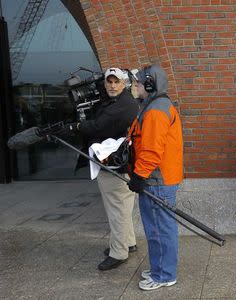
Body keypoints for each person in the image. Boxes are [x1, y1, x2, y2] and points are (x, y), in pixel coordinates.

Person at [63, 67, 140, 270]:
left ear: (124, 84)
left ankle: (119, 252)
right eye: (109, 82)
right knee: (122, 208)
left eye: (116, 82)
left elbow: (98, 126)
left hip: (115, 166)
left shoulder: (122, 105)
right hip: (117, 164)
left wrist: (76, 126)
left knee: (117, 211)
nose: (112, 86)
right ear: (105, 84)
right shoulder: (120, 102)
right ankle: (128, 243)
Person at [126, 65, 183, 291]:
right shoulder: (153, 106)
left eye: (138, 82)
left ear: (149, 84)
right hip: (157, 179)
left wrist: (139, 176)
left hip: (156, 181)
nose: (135, 86)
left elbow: (151, 150)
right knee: (157, 228)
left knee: (160, 228)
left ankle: (164, 275)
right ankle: (160, 266)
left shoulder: (156, 110)